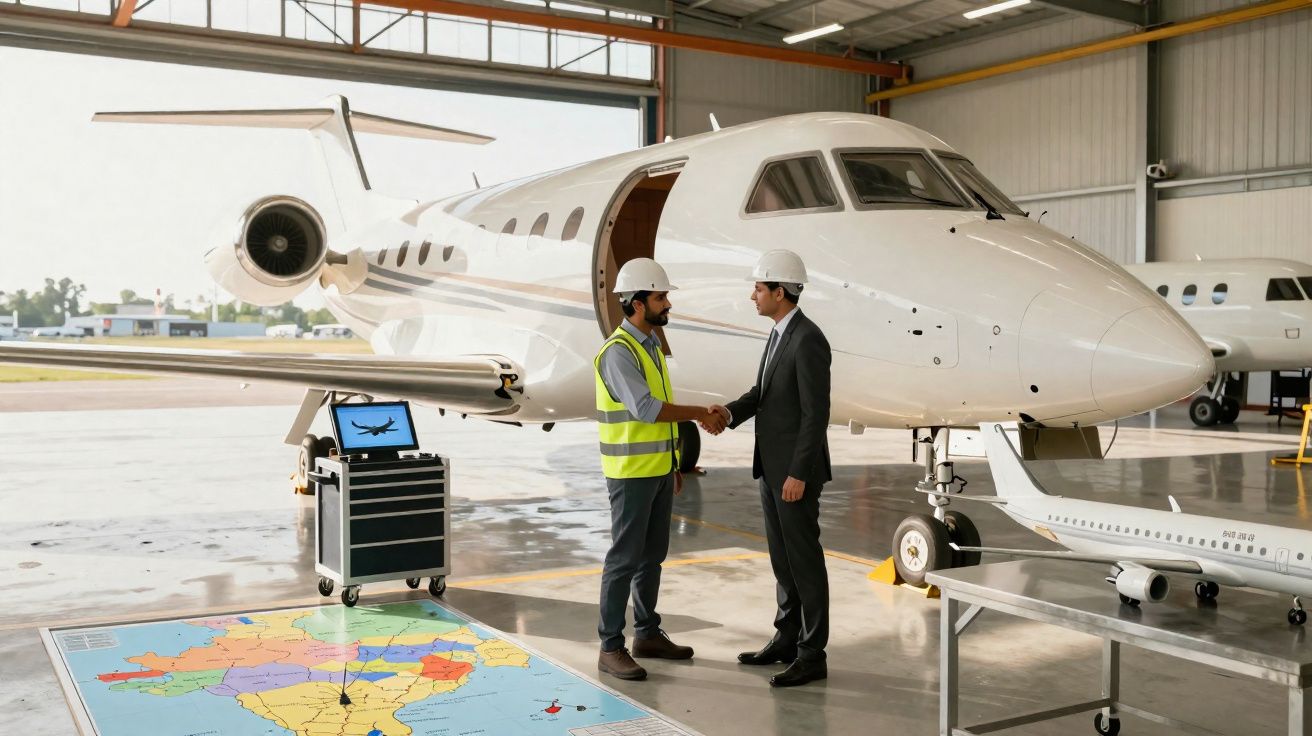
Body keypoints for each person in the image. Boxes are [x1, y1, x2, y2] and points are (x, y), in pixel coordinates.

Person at [593, 257, 726, 681]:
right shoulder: (618, 352)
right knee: (624, 560)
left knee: (652, 558)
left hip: (656, 471)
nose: (667, 304)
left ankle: (647, 634)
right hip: (630, 473)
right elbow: (648, 409)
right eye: (660, 297)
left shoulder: (650, 346)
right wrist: (700, 413)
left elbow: (656, 417)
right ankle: (610, 647)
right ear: (637, 303)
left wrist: (672, 463)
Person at [711, 249, 832, 688]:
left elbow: (816, 415)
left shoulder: (808, 339)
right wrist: (728, 413)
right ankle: (786, 638)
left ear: (780, 292)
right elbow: (763, 393)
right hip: (771, 468)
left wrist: (798, 472)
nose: (753, 296)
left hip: (794, 474)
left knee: (804, 562)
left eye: (758, 288)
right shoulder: (781, 334)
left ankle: (812, 653)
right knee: (783, 560)